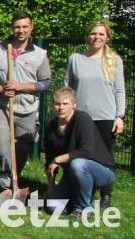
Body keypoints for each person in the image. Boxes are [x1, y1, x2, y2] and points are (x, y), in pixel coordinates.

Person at [0, 12, 51, 190]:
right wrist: (2, 90)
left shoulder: (39, 54)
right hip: (2, 105)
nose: (21, 30)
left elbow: (45, 83)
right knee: (0, 137)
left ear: (31, 28)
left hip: (27, 107)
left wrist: (20, 86)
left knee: (21, 148)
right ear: (11, 27)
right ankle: (7, 174)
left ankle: (11, 181)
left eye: (24, 27)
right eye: (17, 27)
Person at [65, 21, 125, 208]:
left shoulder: (114, 60)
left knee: (105, 158)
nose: (96, 37)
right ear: (87, 36)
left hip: (106, 117)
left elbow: (120, 90)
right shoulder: (75, 59)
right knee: (81, 157)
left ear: (107, 38)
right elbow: (68, 88)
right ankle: (83, 194)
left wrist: (120, 116)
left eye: (101, 34)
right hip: (81, 117)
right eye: (93, 33)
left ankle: (106, 195)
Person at [45, 87, 115, 218]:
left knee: (78, 164)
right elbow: (50, 160)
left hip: (101, 170)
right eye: (57, 104)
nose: (61, 108)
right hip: (73, 173)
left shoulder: (82, 119)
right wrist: (50, 187)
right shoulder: (51, 126)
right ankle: (86, 201)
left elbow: (85, 151)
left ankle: (83, 209)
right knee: (53, 207)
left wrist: (58, 159)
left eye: (65, 104)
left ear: (74, 105)